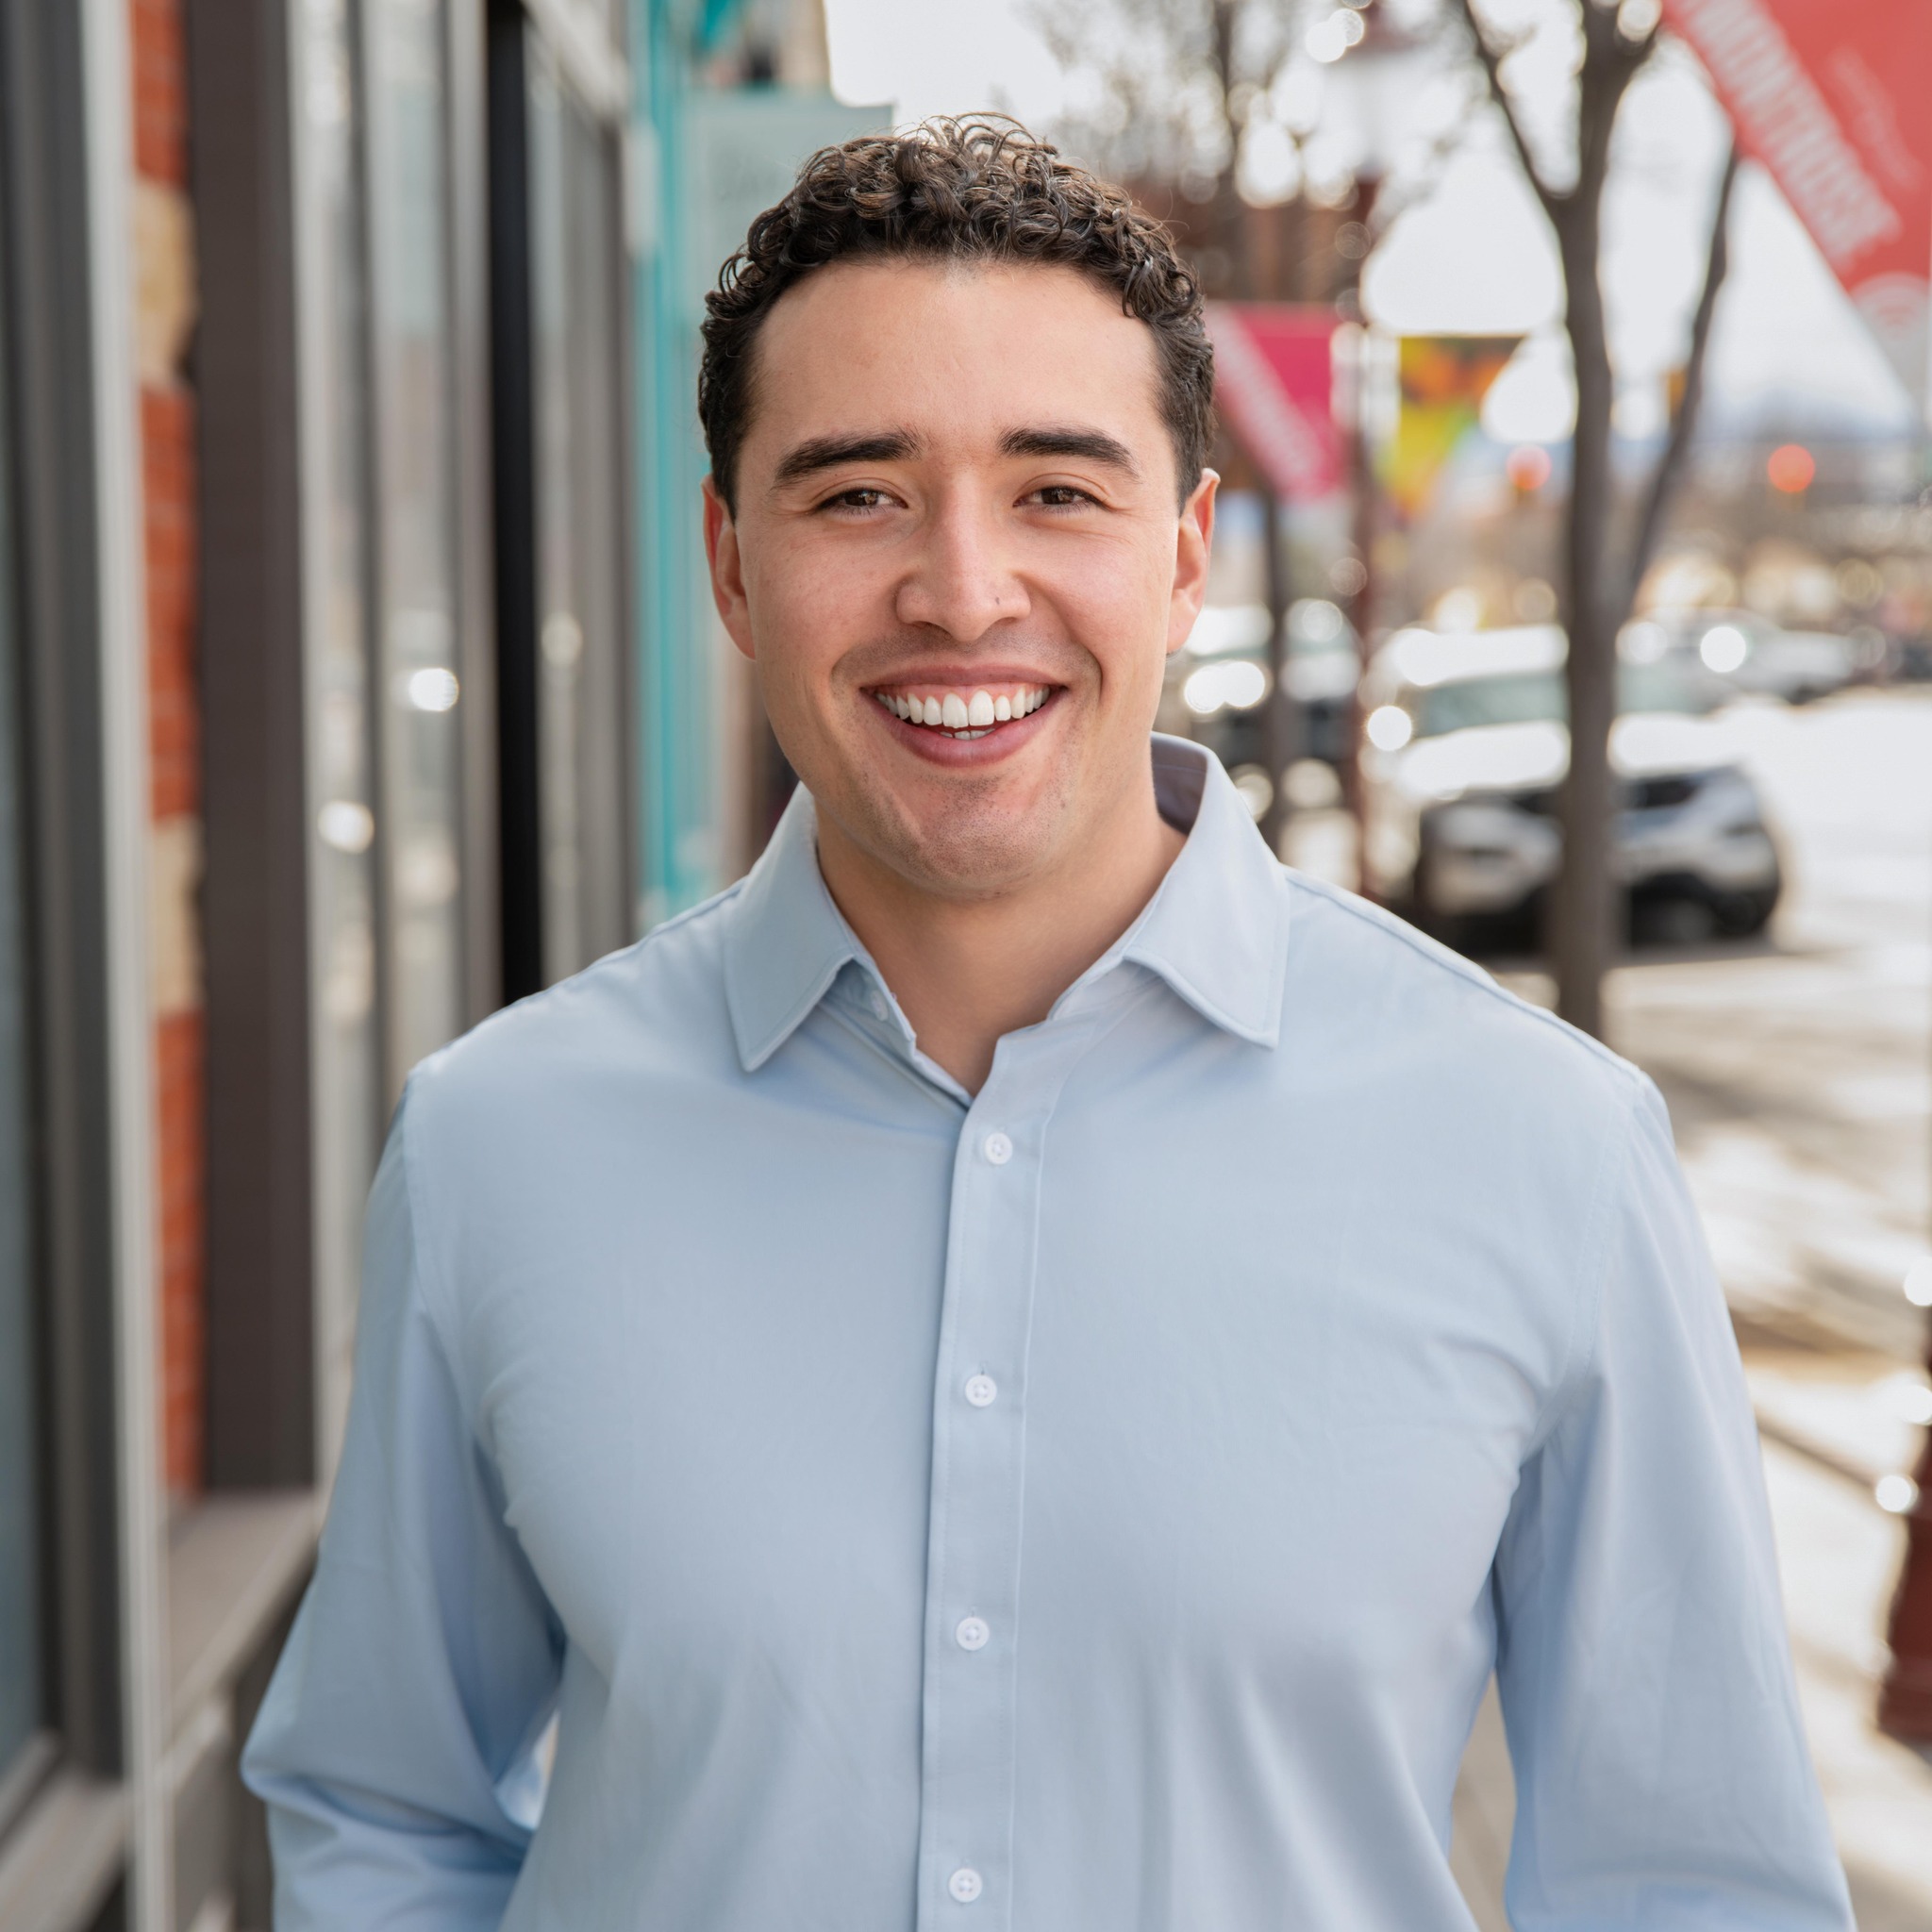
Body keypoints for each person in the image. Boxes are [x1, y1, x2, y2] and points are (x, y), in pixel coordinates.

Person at [243, 119, 1851, 1928]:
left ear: (1180, 559)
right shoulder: (497, 1149)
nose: (963, 589)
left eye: (1057, 490)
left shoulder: (1544, 1150)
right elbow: (383, 1813)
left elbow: (1695, 1888)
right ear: (729, 562)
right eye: (858, 493)